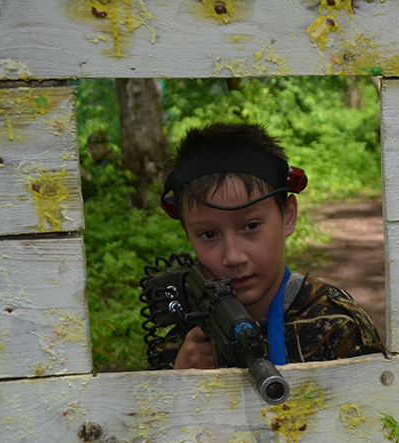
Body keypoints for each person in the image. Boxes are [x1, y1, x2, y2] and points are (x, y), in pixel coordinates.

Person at [157, 122, 384, 369]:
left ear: (288, 216)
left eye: (251, 226)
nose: (233, 257)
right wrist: (181, 378)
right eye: (209, 234)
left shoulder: (335, 325)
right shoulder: (187, 338)